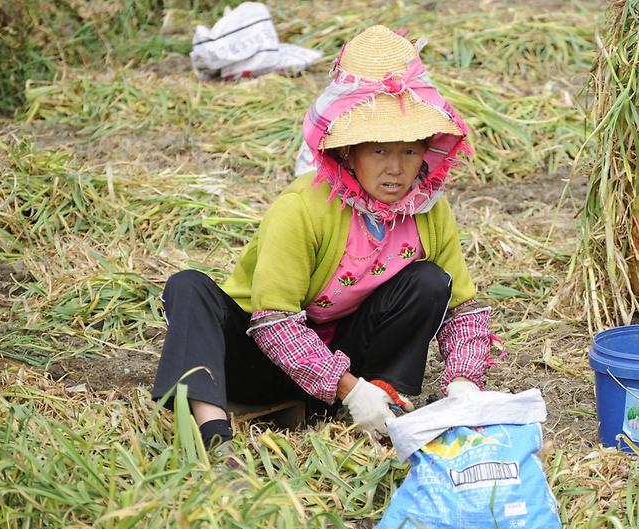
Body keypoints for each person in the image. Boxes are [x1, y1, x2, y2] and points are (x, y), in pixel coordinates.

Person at [151, 25, 495, 456]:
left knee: (429, 281)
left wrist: (464, 385)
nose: (395, 169)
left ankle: (385, 411)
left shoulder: (427, 208)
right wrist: (347, 388)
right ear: (347, 151)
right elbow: (273, 322)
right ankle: (214, 433)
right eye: (378, 151)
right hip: (261, 360)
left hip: (349, 364)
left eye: (409, 151)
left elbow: (462, 309)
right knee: (188, 286)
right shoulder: (302, 206)